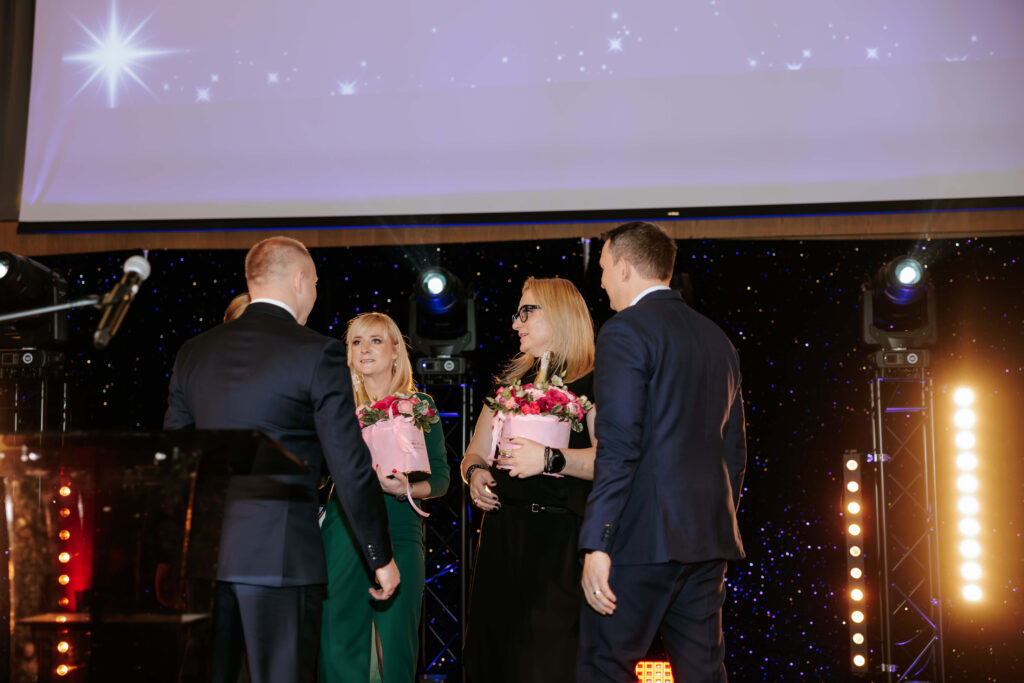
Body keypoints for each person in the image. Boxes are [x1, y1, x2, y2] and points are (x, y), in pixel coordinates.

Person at [164, 236, 399, 683]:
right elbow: (349, 464)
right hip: (282, 559)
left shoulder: (193, 352)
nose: (314, 292)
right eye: (315, 283)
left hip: (205, 561)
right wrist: (379, 555)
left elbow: (175, 461)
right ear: (298, 281)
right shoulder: (317, 352)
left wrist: (171, 550)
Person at [577, 222, 747, 682]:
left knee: (604, 669)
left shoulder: (624, 331)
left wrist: (598, 541)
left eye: (604, 268)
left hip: (640, 539)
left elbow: (618, 445)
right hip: (707, 540)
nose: (602, 281)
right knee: (704, 675)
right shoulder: (717, 339)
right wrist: (715, 518)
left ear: (625, 267)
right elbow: (734, 451)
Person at [461, 277, 597, 683]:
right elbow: (474, 453)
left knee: (546, 665)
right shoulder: (508, 388)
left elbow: (610, 461)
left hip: (559, 542)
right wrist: (476, 474)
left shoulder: (593, 383)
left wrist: (550, 459)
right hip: (502, 536)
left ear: (560, 314)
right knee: (493, 661)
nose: (515, 323)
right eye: (516, 314)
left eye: (526, 312)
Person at [319, 312, 450, 683]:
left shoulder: (419, 406)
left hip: (400, 530)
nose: (364, 349)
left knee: (393, 648)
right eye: (356, 342)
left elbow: (441, 480)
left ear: (395, 351)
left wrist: (405, 489)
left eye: (375, 340)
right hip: (343, 533)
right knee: (339, 645)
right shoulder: (336, 406)